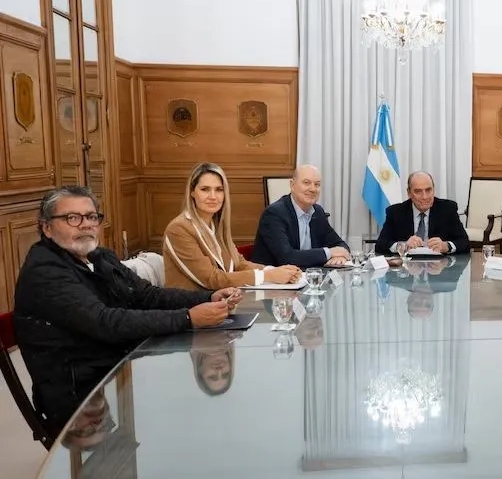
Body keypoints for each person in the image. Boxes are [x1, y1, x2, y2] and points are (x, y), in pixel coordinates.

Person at [14, 185, 238, 435]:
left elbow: (147, 295)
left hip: (117, 367)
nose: (86, 225)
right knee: (186, 412)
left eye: (91, 217)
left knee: (205, 406)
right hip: (80, 397)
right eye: (72, 218)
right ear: (46, 227)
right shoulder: (45, 271)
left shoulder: (99, 257)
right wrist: (188, 318)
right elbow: (105, 322)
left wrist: (207, 297)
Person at [163, 162, 302, 290]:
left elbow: (238, 263)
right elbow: (211, 279)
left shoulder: (215, 225)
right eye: (205, 189)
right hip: (190, 306)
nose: (213, 196)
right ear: (192, 192)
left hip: (220, 301)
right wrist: (268, 276)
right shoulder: (179, 229)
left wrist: (274, 271)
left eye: (219, 190)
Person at [250, 164, 351, 268]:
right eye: (306, 183)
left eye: (317, 184)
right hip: (273, 276)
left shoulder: (318, 212)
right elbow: (287, 258)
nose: (313, 189)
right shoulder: (274, 214)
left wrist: (340, 257)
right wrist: (329, 253)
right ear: (292, 185)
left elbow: (340, 245)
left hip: (308, 275)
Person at [374, 171, 469, 255]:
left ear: (434, 189)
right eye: (418, 191)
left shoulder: (448, 209)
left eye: (428, 190)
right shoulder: (395, 212)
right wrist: (403, 245)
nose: (424, 197)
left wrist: (446, 246)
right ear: (409, 193)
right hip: (407, 266)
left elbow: (465, 243)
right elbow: (380, 245)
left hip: (440, 265)